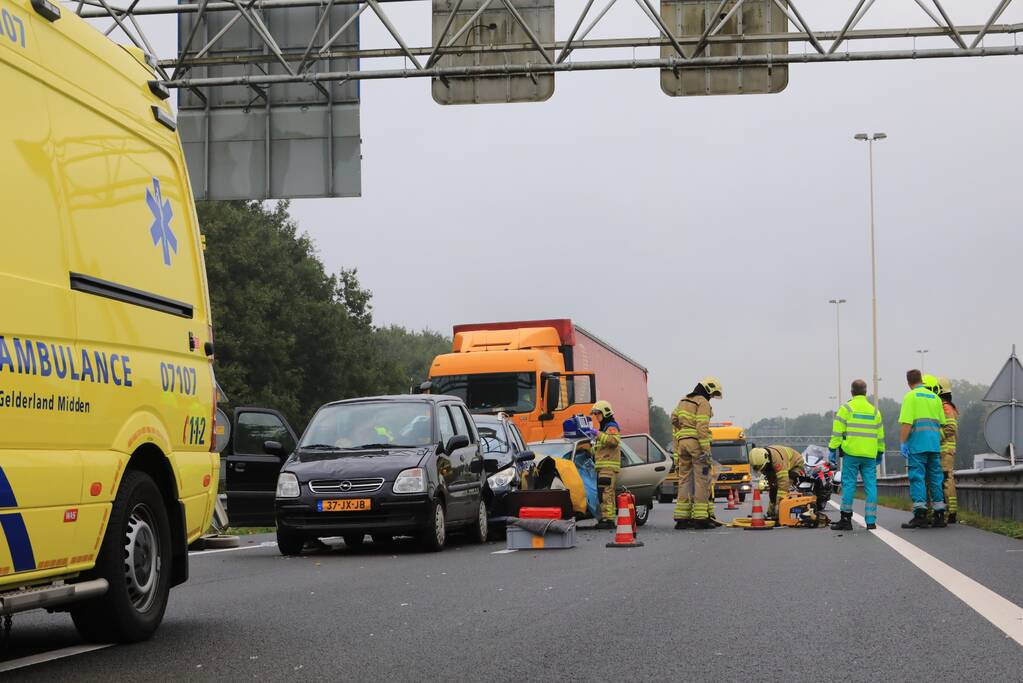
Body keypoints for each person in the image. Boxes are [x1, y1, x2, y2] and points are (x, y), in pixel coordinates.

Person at [828, 379, 885, 531]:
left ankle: (846, 520)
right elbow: (880, 436)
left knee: (848, 485)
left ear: (851, 392)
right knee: (871, 486)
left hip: (851, 454)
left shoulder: (846, 408)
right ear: (866, 392)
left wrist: (832, 450)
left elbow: (837, 432)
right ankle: (871, 521)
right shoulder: (874, 411)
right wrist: (880, 452)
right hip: (869, 456)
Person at [672, 377, 723, 530]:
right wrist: (706, 451)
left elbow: (674, 420)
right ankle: (701, 518)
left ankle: (682, 518)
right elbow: (702, 428)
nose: (712, 397)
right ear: (708, 389)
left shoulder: (683, 401)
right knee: (702, 479)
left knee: (685, 479)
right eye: (712, 394)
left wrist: (683, 436)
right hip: (697, 445)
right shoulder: (703, 403)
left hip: (682, 444)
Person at [899, 369, 947, 529]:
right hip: (934, 445)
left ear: (908, 382)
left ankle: (920, 515)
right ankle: (939, 514)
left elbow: (907, 423)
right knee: (935, 478)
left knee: (917, 478)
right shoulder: (935, 398)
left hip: (918, 445)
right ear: (921, 380)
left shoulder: (910, 397)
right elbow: (941, 423)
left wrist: (903, 442)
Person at [590, 400, 622, 530]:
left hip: (608, 467)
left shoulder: (611, 426)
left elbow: (613, 441)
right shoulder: (604, 428)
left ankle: (608, 520)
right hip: (603, 467)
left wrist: (597, 434)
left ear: (605, 413)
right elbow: (600, 449)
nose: (596, 417)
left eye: (598, 414)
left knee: (606, 493)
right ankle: (607, 517)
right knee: (605, 493)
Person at [749, 445, 805, 520]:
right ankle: (771, 512)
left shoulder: (777, 461)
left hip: (795, 465)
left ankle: (781, 511)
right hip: (780, 463)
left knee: (783, 486)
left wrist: (778, 507)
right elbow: (772, 485)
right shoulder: (764, 460)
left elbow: (783, 484)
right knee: (773, 489)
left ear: (766, 460)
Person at [936, 376, 959, 523]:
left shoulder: (945, 407)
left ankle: (950, 512)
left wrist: (934, 438)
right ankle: (951, 512)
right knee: (947, 480)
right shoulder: (948, 406)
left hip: (944, 450)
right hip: (946, 450)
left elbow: (950, 428)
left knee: (945, 480)